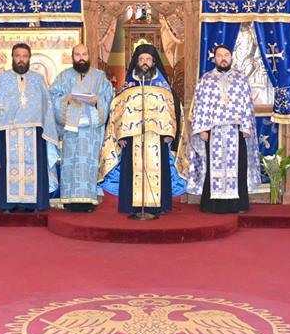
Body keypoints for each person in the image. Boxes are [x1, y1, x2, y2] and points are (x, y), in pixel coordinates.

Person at [99, 43, 187, 214]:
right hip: (132, 138)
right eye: (141, 59)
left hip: (158, 138)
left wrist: (171, 134)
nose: (145, 62)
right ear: (136, 62)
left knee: (159, 171)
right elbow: (117, 112)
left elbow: (175, 110)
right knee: (132, 171)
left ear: (154, 62)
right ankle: (132, 206)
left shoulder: (164, 87)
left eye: (148, 59)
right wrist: (120, 136)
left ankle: (158, 206)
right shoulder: (128, 87)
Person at [186, 45, 260, 214]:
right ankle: (213, 205)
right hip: (213, 132)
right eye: (220, 55)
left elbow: (247, 105)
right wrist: (202, 129)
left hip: (236, 131)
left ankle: (237, 205)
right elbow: (200, 106)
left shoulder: (241, 79)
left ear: (231, 57)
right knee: (213, 167)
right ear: (215, 59)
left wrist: (246, 126)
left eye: (226, 55)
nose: (223, 58)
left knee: (238, 167)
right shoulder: (206, 80)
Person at [0, 43, 59, 212]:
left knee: (34, 166)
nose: (21, 59)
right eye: (18, 56)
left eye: (25, 56)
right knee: (7, 166)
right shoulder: (2, 78)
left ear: (29, 58)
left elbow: (46, 105)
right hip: (8, 130)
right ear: (12, 58)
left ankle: (34, 203)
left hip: (34, 132)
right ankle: (7, 204)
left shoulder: (38, 79)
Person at [49, 44, 114, 212]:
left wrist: (98, 101)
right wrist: (66, 99)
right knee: (71, 163)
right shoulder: (63, 77)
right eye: (77, 54)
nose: (81, 58)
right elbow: (53, 96)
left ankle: (89, 200)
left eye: (84, 54)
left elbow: (108, 97)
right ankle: (69, 200)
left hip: (91, 130)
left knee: (89, 165)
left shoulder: (100, 77)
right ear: (73, 57)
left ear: (89, 55)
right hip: (71, 129)